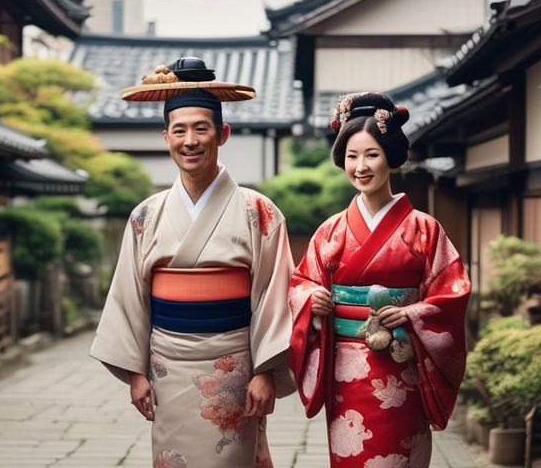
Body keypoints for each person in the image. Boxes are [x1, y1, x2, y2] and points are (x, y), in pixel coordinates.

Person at [90, 57, 294, 468]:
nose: (190, 140)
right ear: (165, 137)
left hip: (234, 369)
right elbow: (128, 299)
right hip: (168, 370)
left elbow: (277, 294)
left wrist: (266, 370)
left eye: (202, 129)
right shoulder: (145, 215)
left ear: (223, 133)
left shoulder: (259, 211)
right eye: (179, 130)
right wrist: (135, 373)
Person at [287, 92, 471, 467]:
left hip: (402, 365)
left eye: (371, 154)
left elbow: (452, 291)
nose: (361, 166)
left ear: (391, 156)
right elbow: (300, 282)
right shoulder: (331, 231)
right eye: (352, 157)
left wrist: (413, 314)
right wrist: (312, 299)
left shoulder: (423, 228)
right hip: (345, 372)